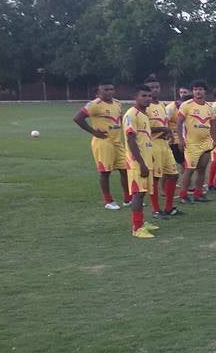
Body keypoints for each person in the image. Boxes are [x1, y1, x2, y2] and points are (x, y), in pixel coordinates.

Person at [73, 81, 130, 209]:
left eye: (111, 89)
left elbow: (120, 120)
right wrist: (93, 132)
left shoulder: (117, 103)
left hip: (117, 142)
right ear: (99, 92)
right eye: (106, 90)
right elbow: (78, 118)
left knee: (125, 170)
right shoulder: (94, 105)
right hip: (103, 143)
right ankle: (108, 201)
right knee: (105, 172)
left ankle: (128, 199)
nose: (109, 92)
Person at [122, 86, 160, 238]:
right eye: (143, 95)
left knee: (143, 192)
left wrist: (149, 157)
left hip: (145, 160)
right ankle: (137, 228)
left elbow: (144, 139)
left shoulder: (144, 115)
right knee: (138, 193)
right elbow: (131, 140)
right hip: (137, 163)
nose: (147, 98)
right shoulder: (131, 114)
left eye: (149, 96)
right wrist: (141, 163)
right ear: (135, 97)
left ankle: (141, 222)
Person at [176, 80, 216, 204]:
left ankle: (198, 194)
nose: (198, 91)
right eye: (196, 89)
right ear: (193, 91)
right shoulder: (186, 105)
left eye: (200, 89)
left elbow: (213, 125)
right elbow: (179, 122)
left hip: (206, 143)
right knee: (189, 170)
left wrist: (214, 140)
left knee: (202, 169)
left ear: (205, 91)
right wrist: (181, 140)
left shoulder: (209, 107)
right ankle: (183, 195)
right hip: (191, 144)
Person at [144, 76, 182, 218]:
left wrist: (167, 133)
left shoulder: (161, 105)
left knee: (173, 175)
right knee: (155, 178)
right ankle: (155, 210)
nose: (155, 90)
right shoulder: (144, 108)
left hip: (164, 145)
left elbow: (164, 125)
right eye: (151, 87)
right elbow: (142, 129)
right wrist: (164, 130)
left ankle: (169, 208)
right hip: (151, 146)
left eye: (157, 87)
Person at [166, 86, 189, 169]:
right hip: (176, 140)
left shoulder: (190, 106)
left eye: (185, 92)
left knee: (187, 165)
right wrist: (170, 136)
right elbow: (165, 123)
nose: (182, 94)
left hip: (188, 139)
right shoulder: (171, 107)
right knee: (185, 165)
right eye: (181, 92)